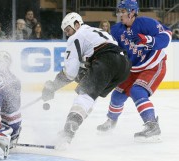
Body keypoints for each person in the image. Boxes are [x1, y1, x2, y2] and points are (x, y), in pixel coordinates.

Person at [41, 12, 131, 148]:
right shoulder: (95, 31)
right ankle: (72, 127)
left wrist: (53, 86)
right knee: (90, 96)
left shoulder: (76, 36)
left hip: (107, 60)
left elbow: (70, 72)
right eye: (65, 32)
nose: (68, 34)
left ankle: (67, 133)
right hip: (123, 65)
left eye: (68, 30)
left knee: (85, 94)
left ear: (77, 24)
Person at [97, 0, 172, 142]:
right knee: (117, 94)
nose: (120, 14)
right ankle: (111, 123)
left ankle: (152, 126)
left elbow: (167, 36)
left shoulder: (146, 23)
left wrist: (148, 40)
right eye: (120, 11)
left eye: (123, 11)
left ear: (132, 12)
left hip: (153, 65)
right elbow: (112, 50)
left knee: (137, 91)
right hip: (133, 69)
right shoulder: (116, 30)